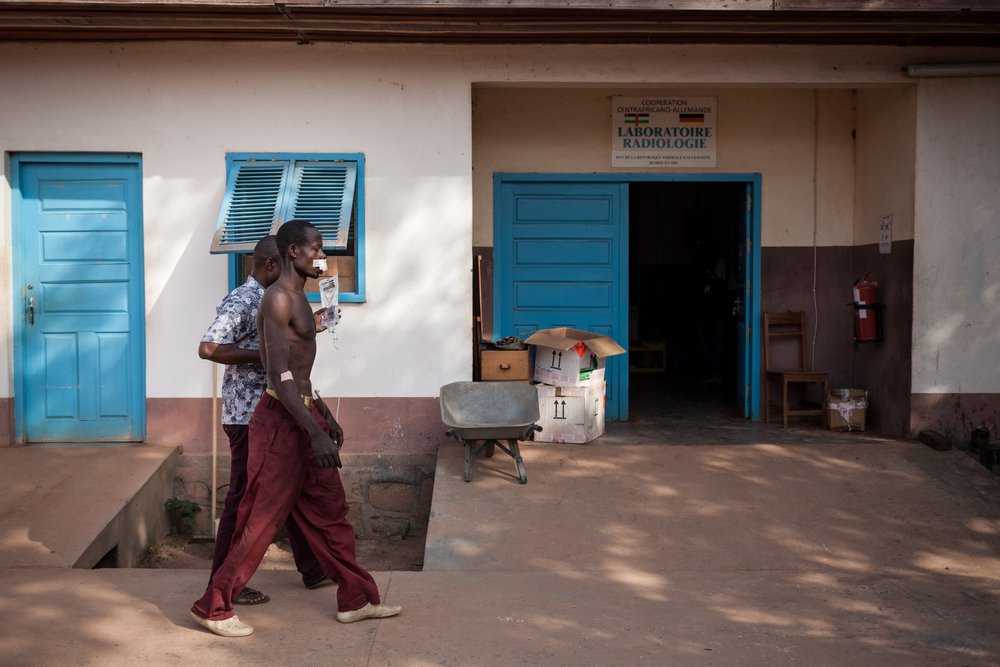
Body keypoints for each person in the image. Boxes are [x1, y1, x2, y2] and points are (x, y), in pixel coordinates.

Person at [190, 221, 401, 637]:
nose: (322, 257)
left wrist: (323, 413)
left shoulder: (301, 299)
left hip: (303, 414)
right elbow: (277, 374)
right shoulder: (275, 300)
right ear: (291, 252)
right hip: (280, 422)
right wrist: (313, 430)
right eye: (316, 249)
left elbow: (299, 375)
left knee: (330, 513)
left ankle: (356, 599)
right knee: (260, 520)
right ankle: (212, 606)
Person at [197, 235, 328, 607]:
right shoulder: (245, 299)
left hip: (277, 409)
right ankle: (221, 582)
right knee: (243, 498)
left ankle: (313, 568)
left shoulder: (279, 299)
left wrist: (306, 330)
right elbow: (208, 347)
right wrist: (269, 354)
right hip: (247, 415)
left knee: (296, 488)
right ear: (272, 265)